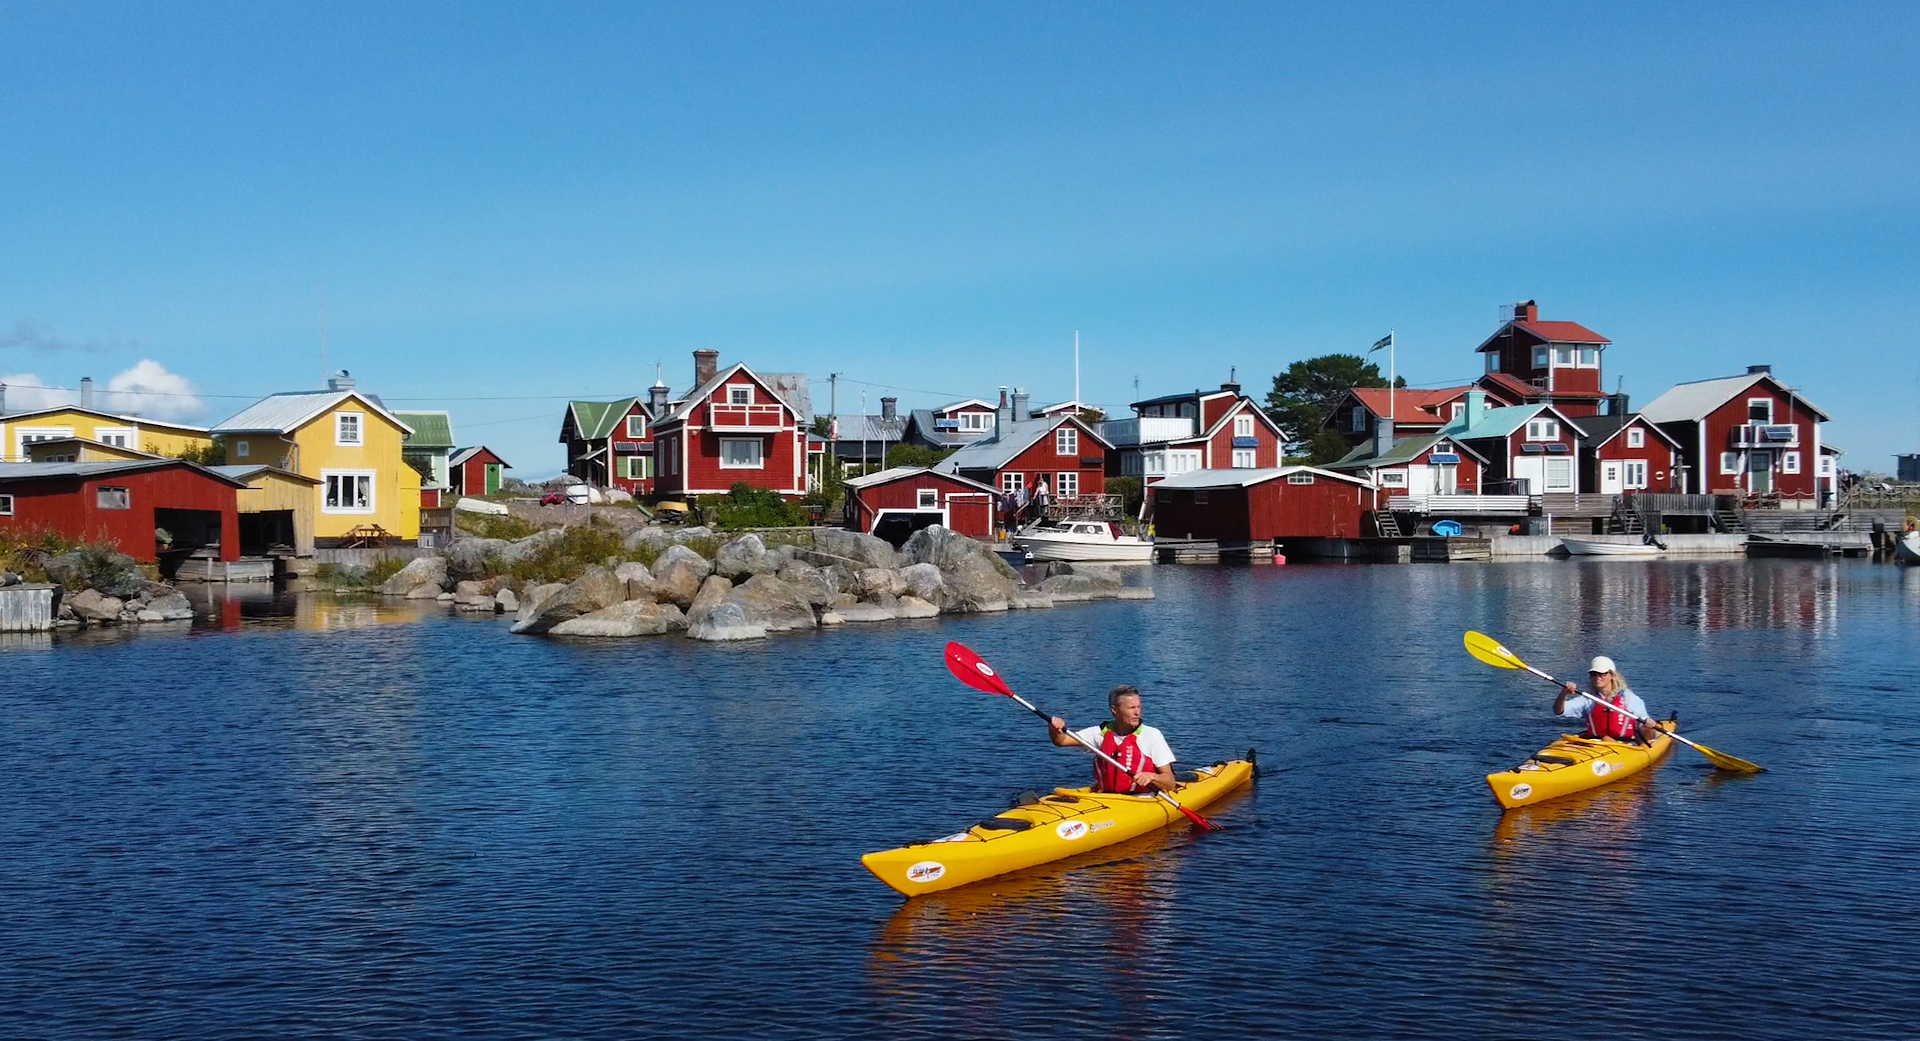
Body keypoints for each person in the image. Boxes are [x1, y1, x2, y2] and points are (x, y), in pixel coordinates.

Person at [1047, 685, 1178, 794]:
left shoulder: (1151, 735)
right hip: (1108, 799)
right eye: (1131, 708)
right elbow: (1061, 741)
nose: (1137, 712)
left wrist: (1151, 776)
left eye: (1139, 707)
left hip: (1142, 799)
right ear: (1115, 709)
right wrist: (1054, 728)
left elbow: (1170, 783)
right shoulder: (1101, 733)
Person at [1555, 656, 1654, 743]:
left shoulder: (1628, 698)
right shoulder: (1589, 699)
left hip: (1624, 745)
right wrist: (1564, 694)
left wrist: (1648, 725)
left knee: (1607, 738)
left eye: (1602, 674)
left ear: (1612, 675)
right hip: (1595, 744)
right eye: (1594, 674)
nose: (1598, 677)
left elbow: (1643, 721)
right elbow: (1558, 711)